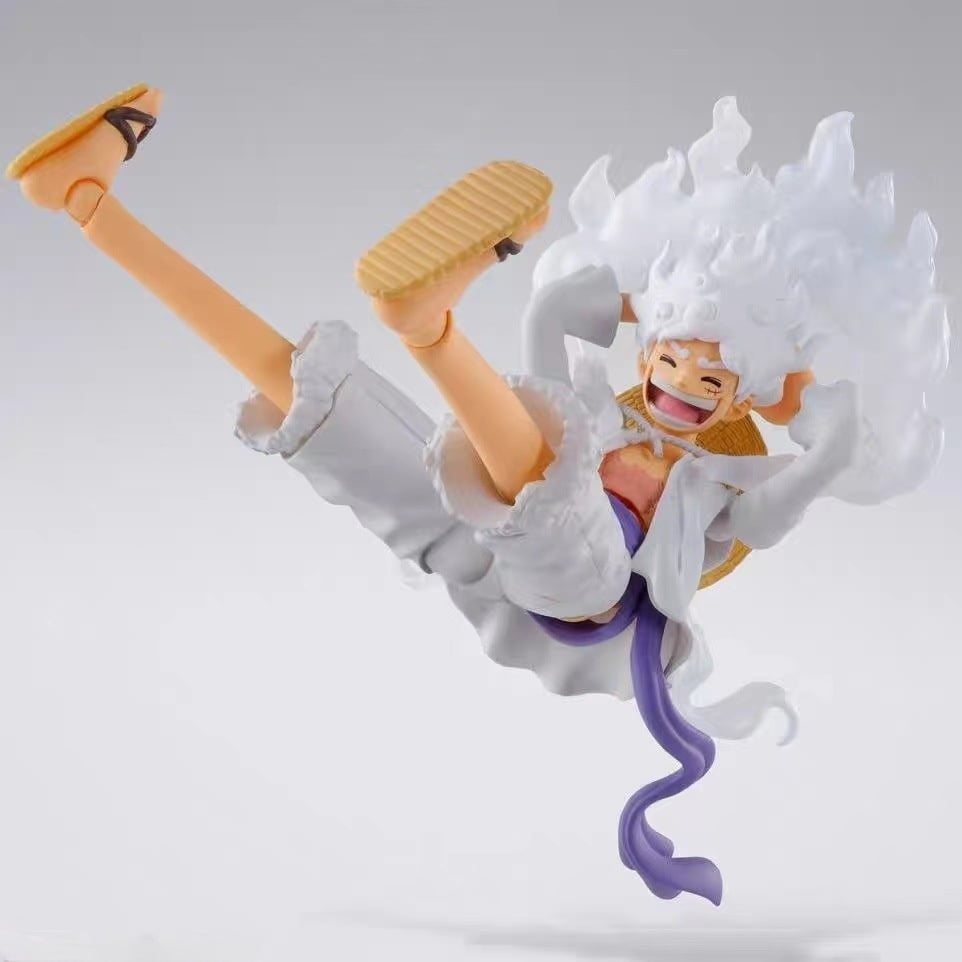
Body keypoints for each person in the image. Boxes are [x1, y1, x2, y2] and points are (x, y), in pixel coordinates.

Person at [7, 87, 947, 904]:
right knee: (319, 400)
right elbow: (553, 314)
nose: (677, 383)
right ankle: (88, 203)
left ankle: (428, 325)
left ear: (737, 399)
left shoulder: (713, 480)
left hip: (592, 595)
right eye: (668, 355)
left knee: (549, 479)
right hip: (483, 551)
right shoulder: (595, 415)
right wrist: (643, 299)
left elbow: (773, 516)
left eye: (709, 379)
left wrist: (821, 440)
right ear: (648, 348)